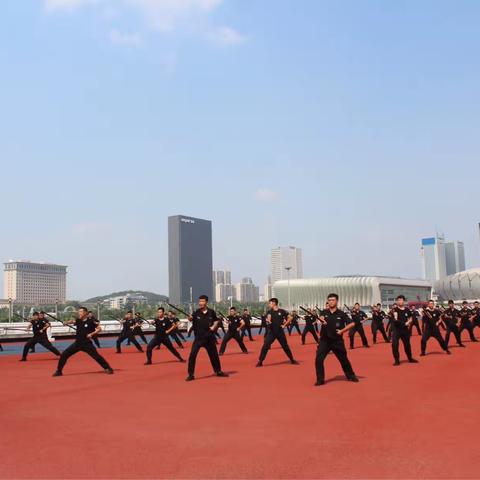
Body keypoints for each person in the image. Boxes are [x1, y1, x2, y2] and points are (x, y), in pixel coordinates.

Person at [53, 307, 113, 376]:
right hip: (77, 343)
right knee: (64, 355)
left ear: (85, 313)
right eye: (79, 312)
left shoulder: (90, 321)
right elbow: (72, 321)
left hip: (87, 344)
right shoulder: (78, 320)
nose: (79, 313)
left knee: (96, 356)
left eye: (81, 312)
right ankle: (59, 371)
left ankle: (108, 368)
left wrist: (91, 334)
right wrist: (66, 322)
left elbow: (99, 329)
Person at [315, 293, 359, 386]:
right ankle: (320, 380)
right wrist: (322, 320)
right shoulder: (324, 312)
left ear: (337, 301)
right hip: (325, 341)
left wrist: (342, 331)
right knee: (319, 359)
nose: (331, 302)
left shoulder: (341, 314)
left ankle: (351, 375)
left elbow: (352, 324)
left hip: (337, 341)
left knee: (344, 360)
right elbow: (321, 317)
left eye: (333, 300)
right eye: (329, 300)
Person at [186, 295, 229, 382]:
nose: (200, 303)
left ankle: (218, 371)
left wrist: (213, 326)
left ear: (206, 302)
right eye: (199, 301)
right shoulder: (196, 313)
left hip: (209, 338)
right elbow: (191, 318)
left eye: (202, 301)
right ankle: (191, 374)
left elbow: (216, 320)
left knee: (214, 356)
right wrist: (190, 318)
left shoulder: (211, 312)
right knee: (192, 356)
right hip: (198, 339)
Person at [256, 298, 299, 367]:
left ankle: (292, 359)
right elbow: (269, 317)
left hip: (280, 332)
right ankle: (260, 361)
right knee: (265, 345)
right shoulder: (269, 311)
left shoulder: (282, 311)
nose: (269, 304)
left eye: (270, 303)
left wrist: (285, 325)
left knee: (285, 346)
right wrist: (269, 321)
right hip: (272, 332)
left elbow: (290, 317)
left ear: (274, 303)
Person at [389, 295, 419, 366]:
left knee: (407, 345)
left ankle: (410, 358)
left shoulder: (407, 310)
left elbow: (410, 318)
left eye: (401, 300)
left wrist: (409, 322)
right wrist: (405, 323)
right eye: (398, 300)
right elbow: (396, 320)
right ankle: (397, 360)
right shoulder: (394, 310)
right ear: (397, 301)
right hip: (397, 330)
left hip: (405, 330)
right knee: (395, 345)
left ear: (404, 301)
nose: (400, 301)